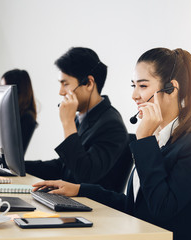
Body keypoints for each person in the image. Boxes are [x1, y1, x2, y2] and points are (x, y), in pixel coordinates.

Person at [32, 48, 191, 240]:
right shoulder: (158, 137)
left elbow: (162, 209)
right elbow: (135, 204)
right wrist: (80, 189)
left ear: (171, 89)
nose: (134, 95)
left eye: (142, 86)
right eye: (133, 86)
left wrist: (144, 140)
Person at [25, 47, 130, 193]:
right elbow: (64, 166)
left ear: (88, 83)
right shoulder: (82, 117)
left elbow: (84, 175)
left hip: (95, 210)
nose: (61, 92)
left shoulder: (111, 124)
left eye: (65, 83)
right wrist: (14, 164)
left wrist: (67, 123)